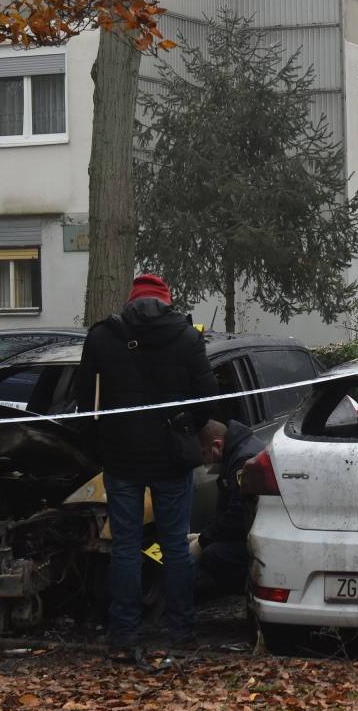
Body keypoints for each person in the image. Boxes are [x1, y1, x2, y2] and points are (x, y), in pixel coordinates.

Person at [77, 272, 218, 663]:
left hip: (121, 458)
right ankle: (181, 632)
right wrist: (185, 425)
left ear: (131, 300)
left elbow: (83, 399)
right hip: (172, 458)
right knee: (174, 545)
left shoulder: (103, 336)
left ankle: (123, 633)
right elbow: (209, 401)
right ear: (166, 300)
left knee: (124, 546)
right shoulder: (187, 337)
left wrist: (103, 439)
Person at [194, 419, 265, 594]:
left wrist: (202, 541)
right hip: (254, 529)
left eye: (204, 454)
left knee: (213, 554)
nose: (204, 463)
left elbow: (238, 515)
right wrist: (204, 534)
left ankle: (246, 589)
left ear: (217, 445)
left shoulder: (242, 460)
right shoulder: (237, 451)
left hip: (259, 537)